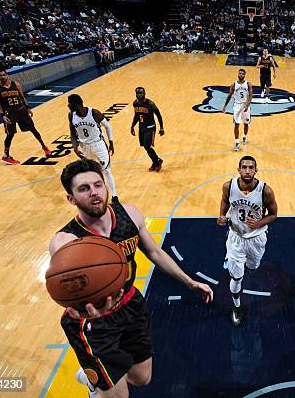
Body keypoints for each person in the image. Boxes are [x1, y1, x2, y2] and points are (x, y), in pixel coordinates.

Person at [49, 159, 213, 398]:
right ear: (71, 199)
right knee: (119, 395)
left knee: (141, 378)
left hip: (130, 304)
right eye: (84, 188)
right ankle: (98, 383)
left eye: (97, 185)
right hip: (93, 322)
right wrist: (82, 312)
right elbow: (63, 291)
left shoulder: (130, 214)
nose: (94, 192)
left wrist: (189, 282)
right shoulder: (66, 243)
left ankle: (91, 376)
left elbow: (155, 252)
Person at [217, 156, 278, 326]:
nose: (247, 171)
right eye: (244, 167)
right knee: (237, 277)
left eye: (251, 168)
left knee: (253, 267)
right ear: (238, 170)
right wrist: (222, 215)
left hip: (256, 238)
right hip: (236, 237)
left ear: (256, 170)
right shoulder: (228, 186)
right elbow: (224, 200)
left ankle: (242, 262)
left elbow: (274, 214)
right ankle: (236, 306)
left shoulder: (265, 191)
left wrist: (258, 223)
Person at [0, 67, 51, 164]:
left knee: (33, 129)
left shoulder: (16, 84)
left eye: (4, 75)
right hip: (9, 114)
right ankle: (6, 155)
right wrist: (2, 115)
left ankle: (44, 147)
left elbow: (22, 97)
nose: (2, 77)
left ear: (7, 75)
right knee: (10, 134)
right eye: (0, 75)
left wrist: (28, 108)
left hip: (21, 111)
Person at [67, 94, 119, 202]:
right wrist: (75, 147)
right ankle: (96, 194)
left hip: (98, 145)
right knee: (91, 172)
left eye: (70, 103)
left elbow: (107, 126)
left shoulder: (94, 113)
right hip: (85, 147)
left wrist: (111, 142)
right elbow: (72, 134)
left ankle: (114, 197)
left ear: (76, 104)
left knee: (106, 171)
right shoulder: (71, 115)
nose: (68, 105)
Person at [131, 87, 164, 172]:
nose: (139, 95)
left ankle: (157, 161)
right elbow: (137, 116)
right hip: (141, 127)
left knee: (147, 146)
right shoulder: (135, 103)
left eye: (141, 93)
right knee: (145, 147)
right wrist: (132, 126)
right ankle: (156, 161)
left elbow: (158, 115)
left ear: (145, 94)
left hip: (150, 127)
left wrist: (161, 127)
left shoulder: (150, 104)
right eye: (137, 93)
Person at [221, 69, 253, 151]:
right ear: (238, 74)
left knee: (246, 124)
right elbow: (229, 96)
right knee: (236, 124)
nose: (241, 74)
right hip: (237, 107)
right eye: (240, 73)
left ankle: (245, 136)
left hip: (245, 106)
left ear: (245, 75)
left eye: (242, 73)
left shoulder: (248, 84)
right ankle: (237, 142)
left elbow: (250, 96)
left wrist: (247, 105)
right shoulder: (234, 85)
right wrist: (224, 106)